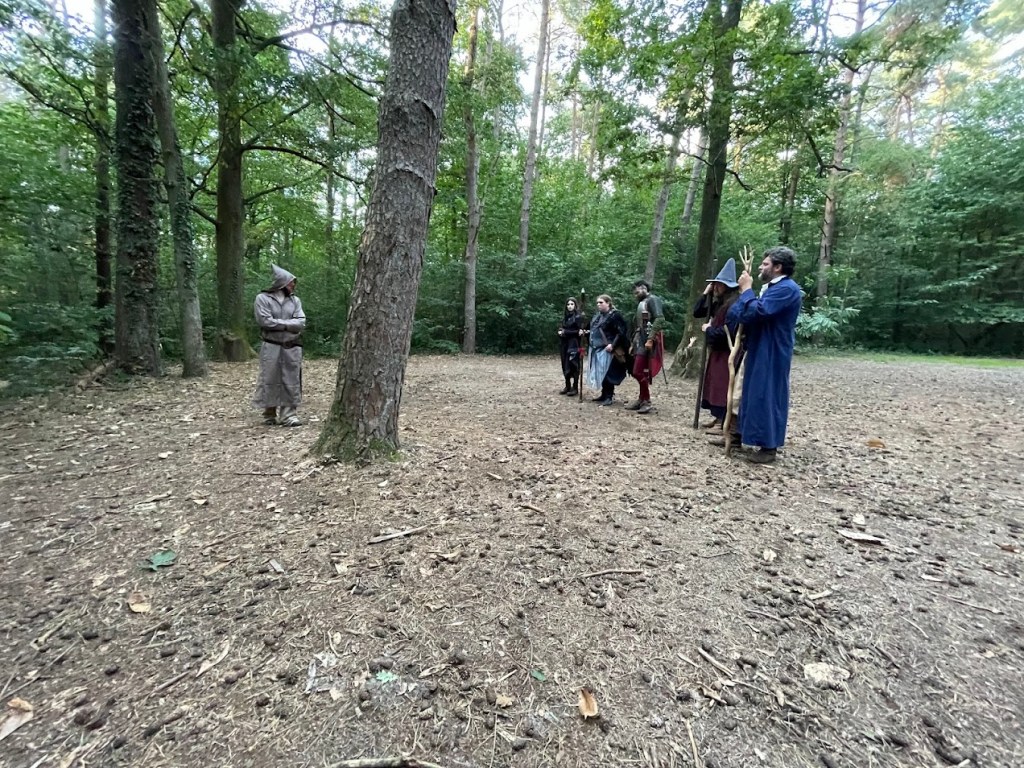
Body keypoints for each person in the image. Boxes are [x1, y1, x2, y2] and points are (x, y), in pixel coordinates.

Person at [726, 246, 802, 463]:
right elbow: (742, 314)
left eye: (765, 264)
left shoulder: (787, 289)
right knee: (750, 392)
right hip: (758, 345)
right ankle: (740, 434)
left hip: (773, 349)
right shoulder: (771, 288)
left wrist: (747, 291)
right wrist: (745, 302)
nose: (761, 267)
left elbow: (759, 311)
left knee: (767, 393)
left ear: (778, 267)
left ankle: (769, 446)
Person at [253, 264, 306, 427]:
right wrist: (289, 324)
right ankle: (269, 412)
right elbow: (264, 321)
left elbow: (301, 322)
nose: (293, 285)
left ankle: (288, 415)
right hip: (271, 345)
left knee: (291, 379)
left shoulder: (295, 300)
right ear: (282, 282)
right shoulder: (262, 299)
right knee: (270, 378)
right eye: (291, 282)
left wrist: (278, 323)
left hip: (292, 346)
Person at [693, 258, 741, 431]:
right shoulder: (719, 303)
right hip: (718, 351)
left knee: (723, 384)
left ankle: (724, 420)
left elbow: (729, 331)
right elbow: (698, 312)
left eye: (719, 285)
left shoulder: (734, 304)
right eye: (715, 284)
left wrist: (709, 330)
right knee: (715, 384)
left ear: (728, 286)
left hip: (728, 351)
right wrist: (706, 294)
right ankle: (718, 417)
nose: (716, 287)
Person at [626, 280, 666, 415]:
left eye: (637, 291)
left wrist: (650, 339)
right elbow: (639, 326)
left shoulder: (653, 299)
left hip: (648, 340)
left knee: (638, 371)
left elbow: (660, 319)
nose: (635, 294)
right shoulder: (643, 302)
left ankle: (646, 400)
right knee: (637, 371)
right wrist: (634, 343)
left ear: (644, 288)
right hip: (640, 340)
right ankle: (642, 398)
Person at [584, 294, 629, 405]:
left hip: (608, 349)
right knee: (601, 372)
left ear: (608, 303)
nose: (598, 304)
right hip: (597, 348)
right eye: (597, 303)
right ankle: (604, 394)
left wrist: (613, 345)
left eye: (601, 302)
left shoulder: (614, 315)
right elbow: (592, 329)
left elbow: (621, 332)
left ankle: (609, 396)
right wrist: (585, 332)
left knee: (608, 373)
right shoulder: (597, 316)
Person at [556, 297, 586, 395]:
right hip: (564, 343)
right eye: (568, 304)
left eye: (572, 304)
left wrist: (565, 332)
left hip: (574, 344)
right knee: (565, 363)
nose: (570, 306)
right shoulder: (565, 317)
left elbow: (578, 332)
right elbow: (561, 328)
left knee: (574, 364)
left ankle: (575, 387)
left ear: (575, 305)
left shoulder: (578, 317)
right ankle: (567, 385)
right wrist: (560, 331)